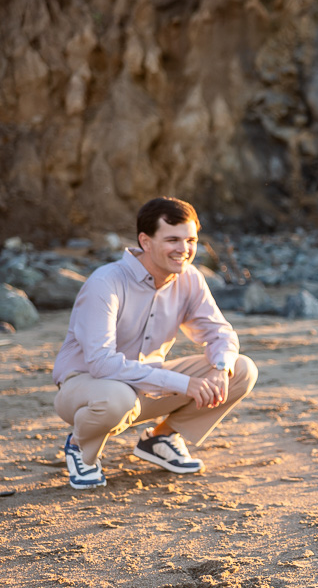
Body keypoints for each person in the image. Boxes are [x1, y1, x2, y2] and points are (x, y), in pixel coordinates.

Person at [53, 197, 258, 489]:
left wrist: (220, 368)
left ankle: (160, 439)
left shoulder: (189, 279)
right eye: (173, 239)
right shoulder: (106, 283)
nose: (184, 250)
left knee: (240, 369)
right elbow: (101, 363)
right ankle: (80, 447)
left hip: (144, 385)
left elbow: (218, 332)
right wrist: (183, 384)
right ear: (145, 241)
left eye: (191, 239)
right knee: (117, 398)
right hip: (86, 386)